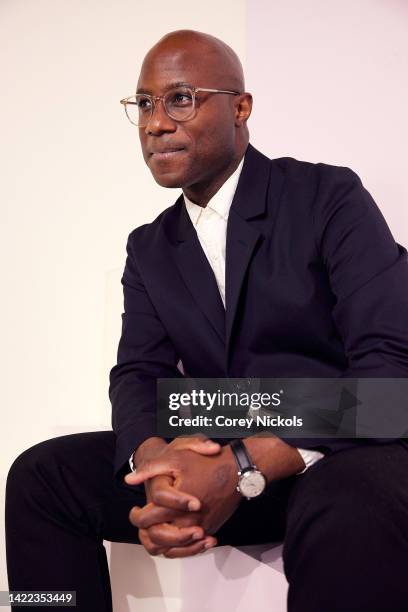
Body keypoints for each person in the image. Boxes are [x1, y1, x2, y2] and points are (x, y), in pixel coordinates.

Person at [5, 29, 408, 612]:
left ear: (240, 107)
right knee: (40, 478)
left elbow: (389, 376)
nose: (155, 123)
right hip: (218, 449)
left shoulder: (328, 197)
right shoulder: (150, 246)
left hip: (331, 452)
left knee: (351, 502)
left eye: (181, 98)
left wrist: (246, 461)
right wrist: (154, 465)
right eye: (144, 104)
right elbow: (139, 373)